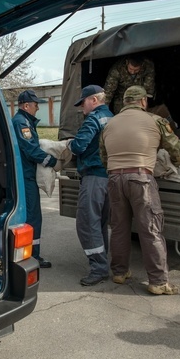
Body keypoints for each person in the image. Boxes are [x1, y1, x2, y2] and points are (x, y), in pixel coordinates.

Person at [100, 85, 180, 295]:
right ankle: (158, 281)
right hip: (141, 179)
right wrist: (178, 162)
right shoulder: (156, 120)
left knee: (119, 228)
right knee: (150, 229)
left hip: (114, 178)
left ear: (125, 102)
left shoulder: (109, 124)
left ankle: (119, 273)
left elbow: (103, 156)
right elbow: (177, 149)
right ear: (143, 102)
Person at [67, 85, 113, 286]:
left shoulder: (93, 119)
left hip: (94, 175)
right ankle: (103, 262)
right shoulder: (112, 117)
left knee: (87, 222)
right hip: (109, 177)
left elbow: (79, 146)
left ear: (94, 100)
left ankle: (99, 268)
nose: (81, 108)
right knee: (101, 223)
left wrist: (68, 144)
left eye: (83, 102)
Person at [12, 90, 59, 268]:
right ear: (26, 106)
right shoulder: (22, 123)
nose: (38, 108)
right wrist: (52, 161)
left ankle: (29, 254)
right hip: (26, 177)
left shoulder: (23, 121)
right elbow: (30, 149)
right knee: (32, 217)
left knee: (30, 216)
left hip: (25, 175)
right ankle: (32, 256)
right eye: (35, 104)